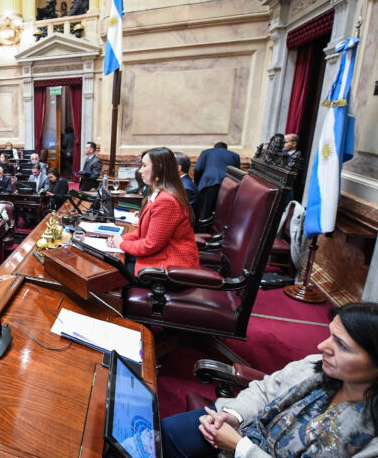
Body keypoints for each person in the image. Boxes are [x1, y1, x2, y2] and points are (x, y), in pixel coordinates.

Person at [161, 302, 378, 458]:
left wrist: (241, 448)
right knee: (165, 433)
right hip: (248, 432)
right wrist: (234, 416)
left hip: (245, 447)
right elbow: (266, 390)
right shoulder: (318, 365)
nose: (322, 346)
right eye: (330, 335)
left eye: (341, 345)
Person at [106, 148, 199, 275]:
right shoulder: (158, 193)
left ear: (159, 168)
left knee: (111, 272)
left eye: (144, 166)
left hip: (169, 269)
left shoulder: (166, 200)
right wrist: (119, 239)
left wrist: (121, 244)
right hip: (159, 258)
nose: (140, 171)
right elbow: (140, 233)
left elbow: (150, 245)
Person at [193, 142, 241, 223]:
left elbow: (197, 169)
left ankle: (203, 232)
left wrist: (197, 184)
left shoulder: (206, 152)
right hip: (227, 186)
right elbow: (237, 174)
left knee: (205, 212)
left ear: (214, 147)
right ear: (226, 148)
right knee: (222, 212)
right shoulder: (235, 155)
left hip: (208, 184)